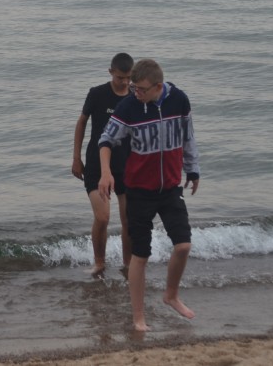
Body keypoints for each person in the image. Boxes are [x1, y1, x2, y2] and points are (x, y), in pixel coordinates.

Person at [98, 59, 201, 331]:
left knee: (183, 246)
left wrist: (193, 169)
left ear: (158, 86)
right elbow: (105, 140)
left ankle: (171, 295)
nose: (136, 93)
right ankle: (138, 317)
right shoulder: (129, 106)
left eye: (141, 89)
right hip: (139, 192)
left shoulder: (179, 100)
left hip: (170, 189)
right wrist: (106, 173)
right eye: (133, 87)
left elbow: (188, 137)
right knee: (140, 256)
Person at [72, 52, 134, 277]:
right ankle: (99, 263)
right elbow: (81, 123)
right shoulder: (97, 94)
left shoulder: (136, 97)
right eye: (120, 77)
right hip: (97, 165)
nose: (125, 82)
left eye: (128, 78)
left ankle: (128, 266)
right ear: (111, 72)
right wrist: (76, 158)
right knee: (103, 217)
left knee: (129, 220)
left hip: (127, 166)